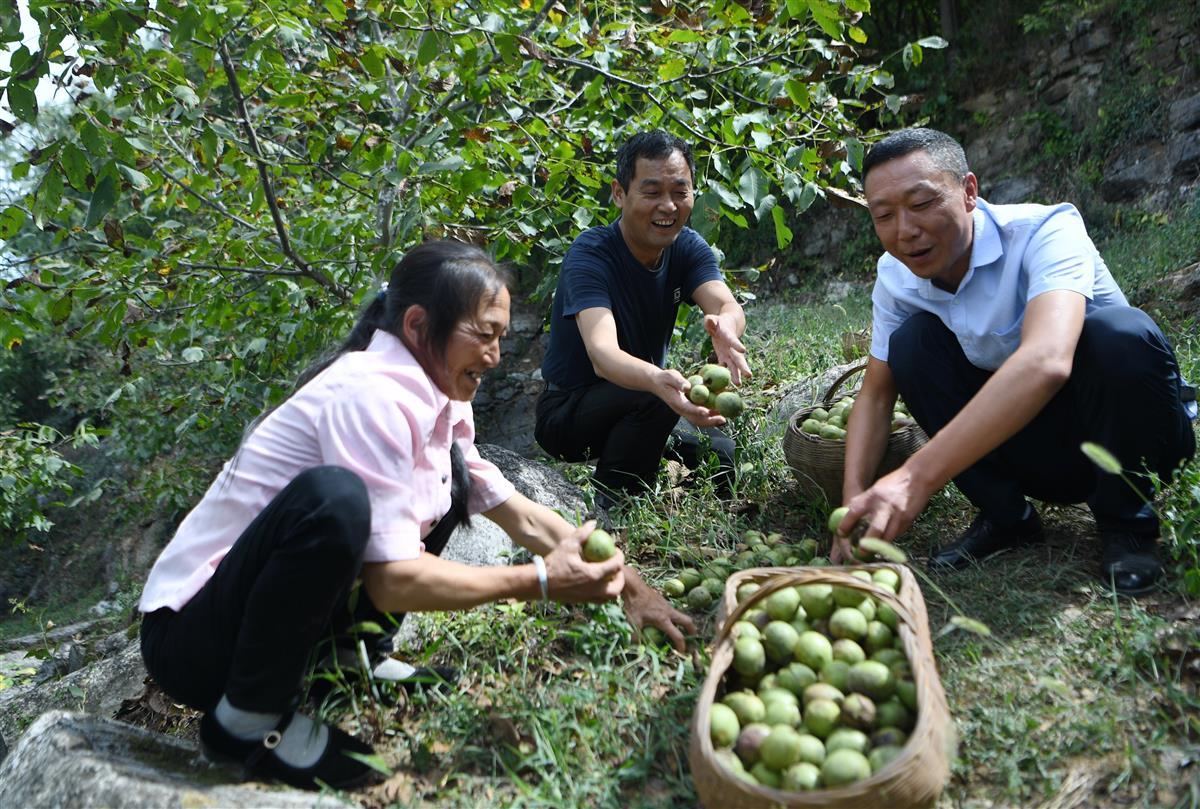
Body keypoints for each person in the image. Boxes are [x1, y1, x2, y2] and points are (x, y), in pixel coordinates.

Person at [137, 240, 695, 791]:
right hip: (193, 640)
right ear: (417, 325)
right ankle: (245, 722)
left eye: (500, 337)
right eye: (484, 335)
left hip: (248, 616)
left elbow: (516, 513)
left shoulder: (438, 394)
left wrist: (633, 588)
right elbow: (393, 578)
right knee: (335, 501)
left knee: (449, 482)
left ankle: (354, 657)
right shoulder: (368, 396)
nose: (495, 356)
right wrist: (542, 581)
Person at [832, 127, 1196, 596]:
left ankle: (1127, 524)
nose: (905, 231)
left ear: (968, 192)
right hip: (1038, 450)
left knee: (1119, 334)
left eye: (921, 204)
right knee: (910, 345)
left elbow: (1047, 361)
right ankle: (1007, 517)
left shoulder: (1047, 231)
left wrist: (914, 477)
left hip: (1132, 436)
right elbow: (877, 393)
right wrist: (853, 502)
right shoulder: (896, 276)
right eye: (884, 216)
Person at [536, 131, 752, 507]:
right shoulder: (591, 254)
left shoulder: (686, 246)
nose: (668, 206)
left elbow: (725, 305)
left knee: (722, 455)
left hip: (643, 397)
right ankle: (614, 508)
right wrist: (657, 379)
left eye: (679, 192)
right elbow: (603, 355)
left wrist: (728, 326)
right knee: (651, 396)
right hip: (567, 414)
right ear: (619, 193)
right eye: (652, 193)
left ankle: (652, 468)